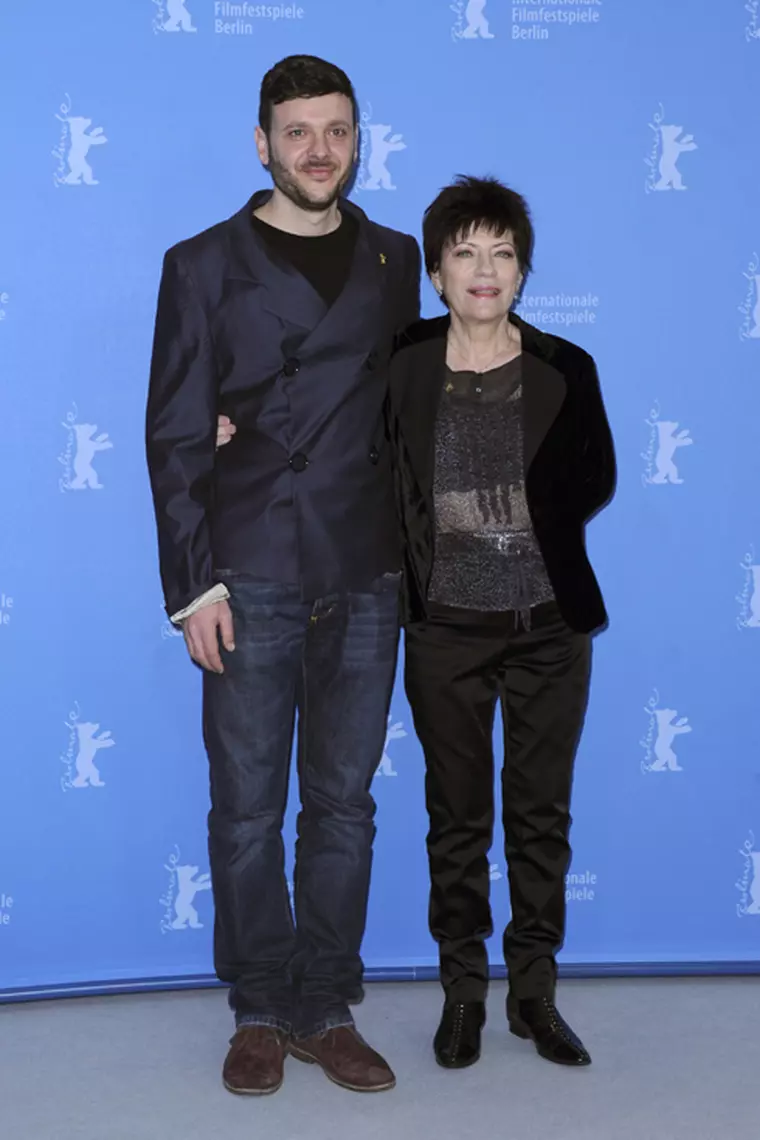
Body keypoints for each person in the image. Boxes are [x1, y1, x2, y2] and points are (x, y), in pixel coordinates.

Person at [217, 175, 616, 1070]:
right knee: (458, 817)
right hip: (445, 631)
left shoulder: (566, 368)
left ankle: (536, 995)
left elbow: (594, 480)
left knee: (540, 816)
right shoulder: (402, 364)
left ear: (523, 270)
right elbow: (328, 429)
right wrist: (229, 423)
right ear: (436, 272)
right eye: (466, 254)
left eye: (503, 254)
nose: (485, 271)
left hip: (551, 628)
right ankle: (464, 995)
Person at [146, 54, 420, 1097]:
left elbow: (413, 413)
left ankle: (323, 1004)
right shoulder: (200, 264)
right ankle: (258, 1007)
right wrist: (192, 583)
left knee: (343, 806)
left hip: (363, 572)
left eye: (337, 131)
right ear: (262, 143)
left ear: (358, 141)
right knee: (247, 808)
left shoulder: (397, 261)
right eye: (298, 131)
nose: (319, 150)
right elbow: (174, 434)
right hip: (248, 569)